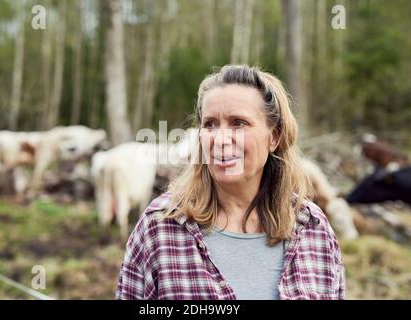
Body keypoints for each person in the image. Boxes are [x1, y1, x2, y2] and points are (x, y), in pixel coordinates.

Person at [116, 65, 345, 300]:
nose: (220, 139)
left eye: (238, 123)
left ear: (274, 137)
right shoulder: (161, 227)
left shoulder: (313, 230)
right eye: (210, 124)